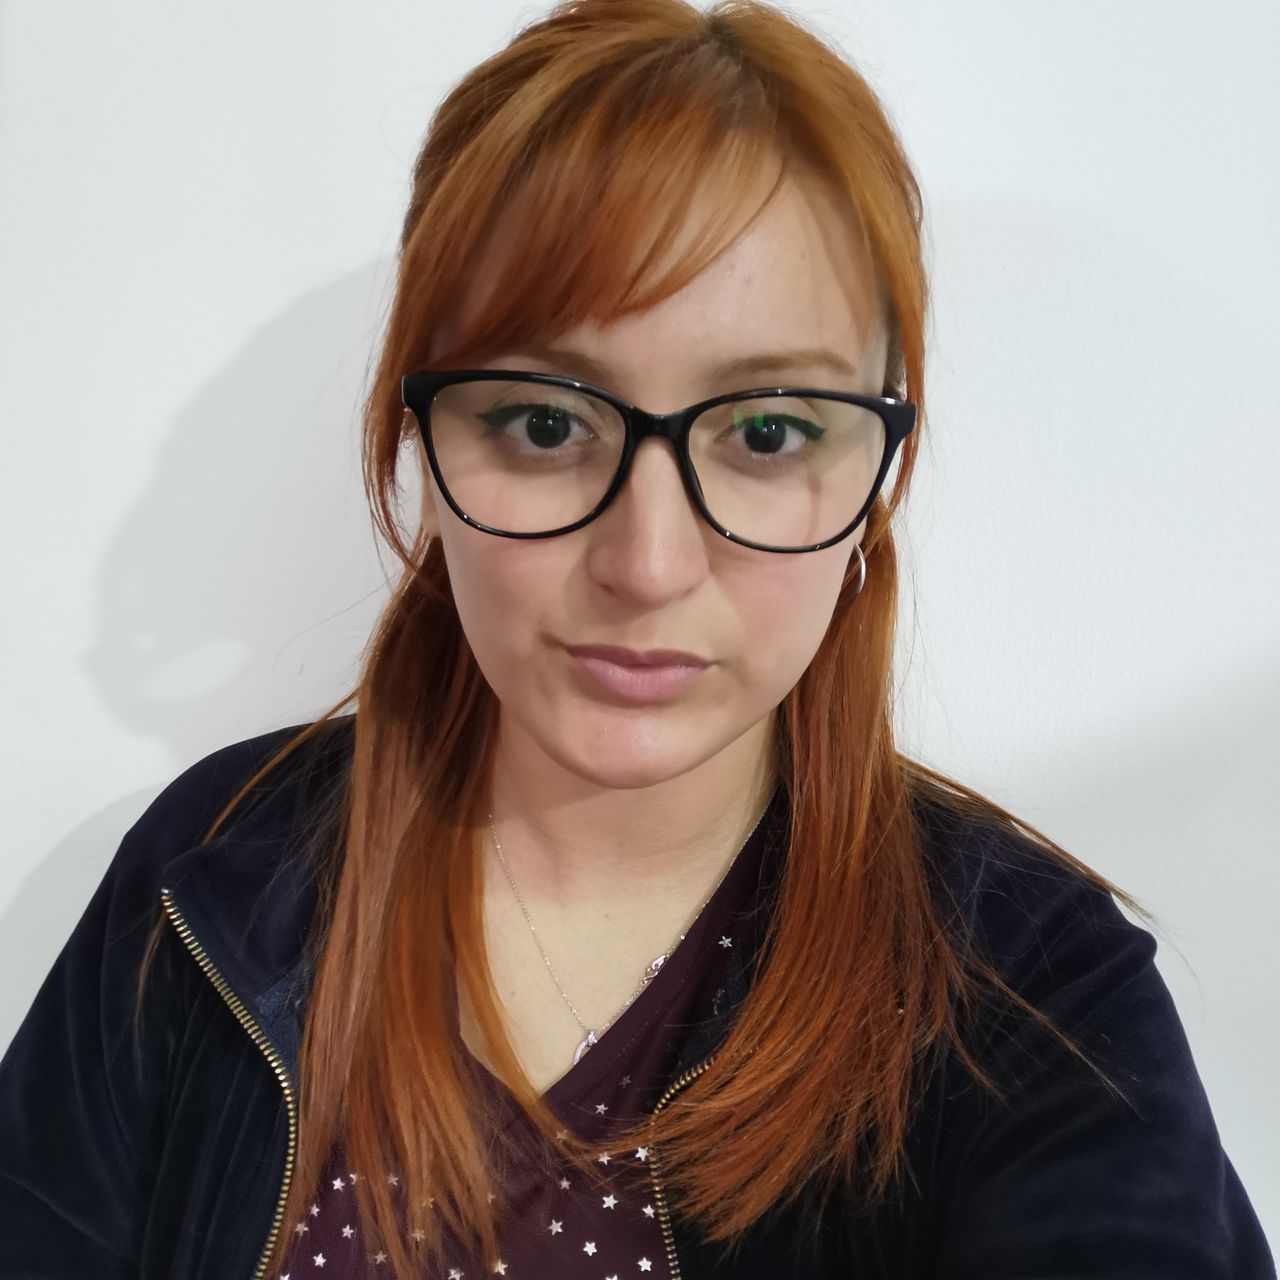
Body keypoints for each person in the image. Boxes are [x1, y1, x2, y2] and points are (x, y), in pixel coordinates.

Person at [0, 1, 1274, 1276]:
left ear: (874, 475)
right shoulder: (214, 872)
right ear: (421, 445)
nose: (647, 565)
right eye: (545, 424)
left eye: (766, 431)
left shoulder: (1030, 997)